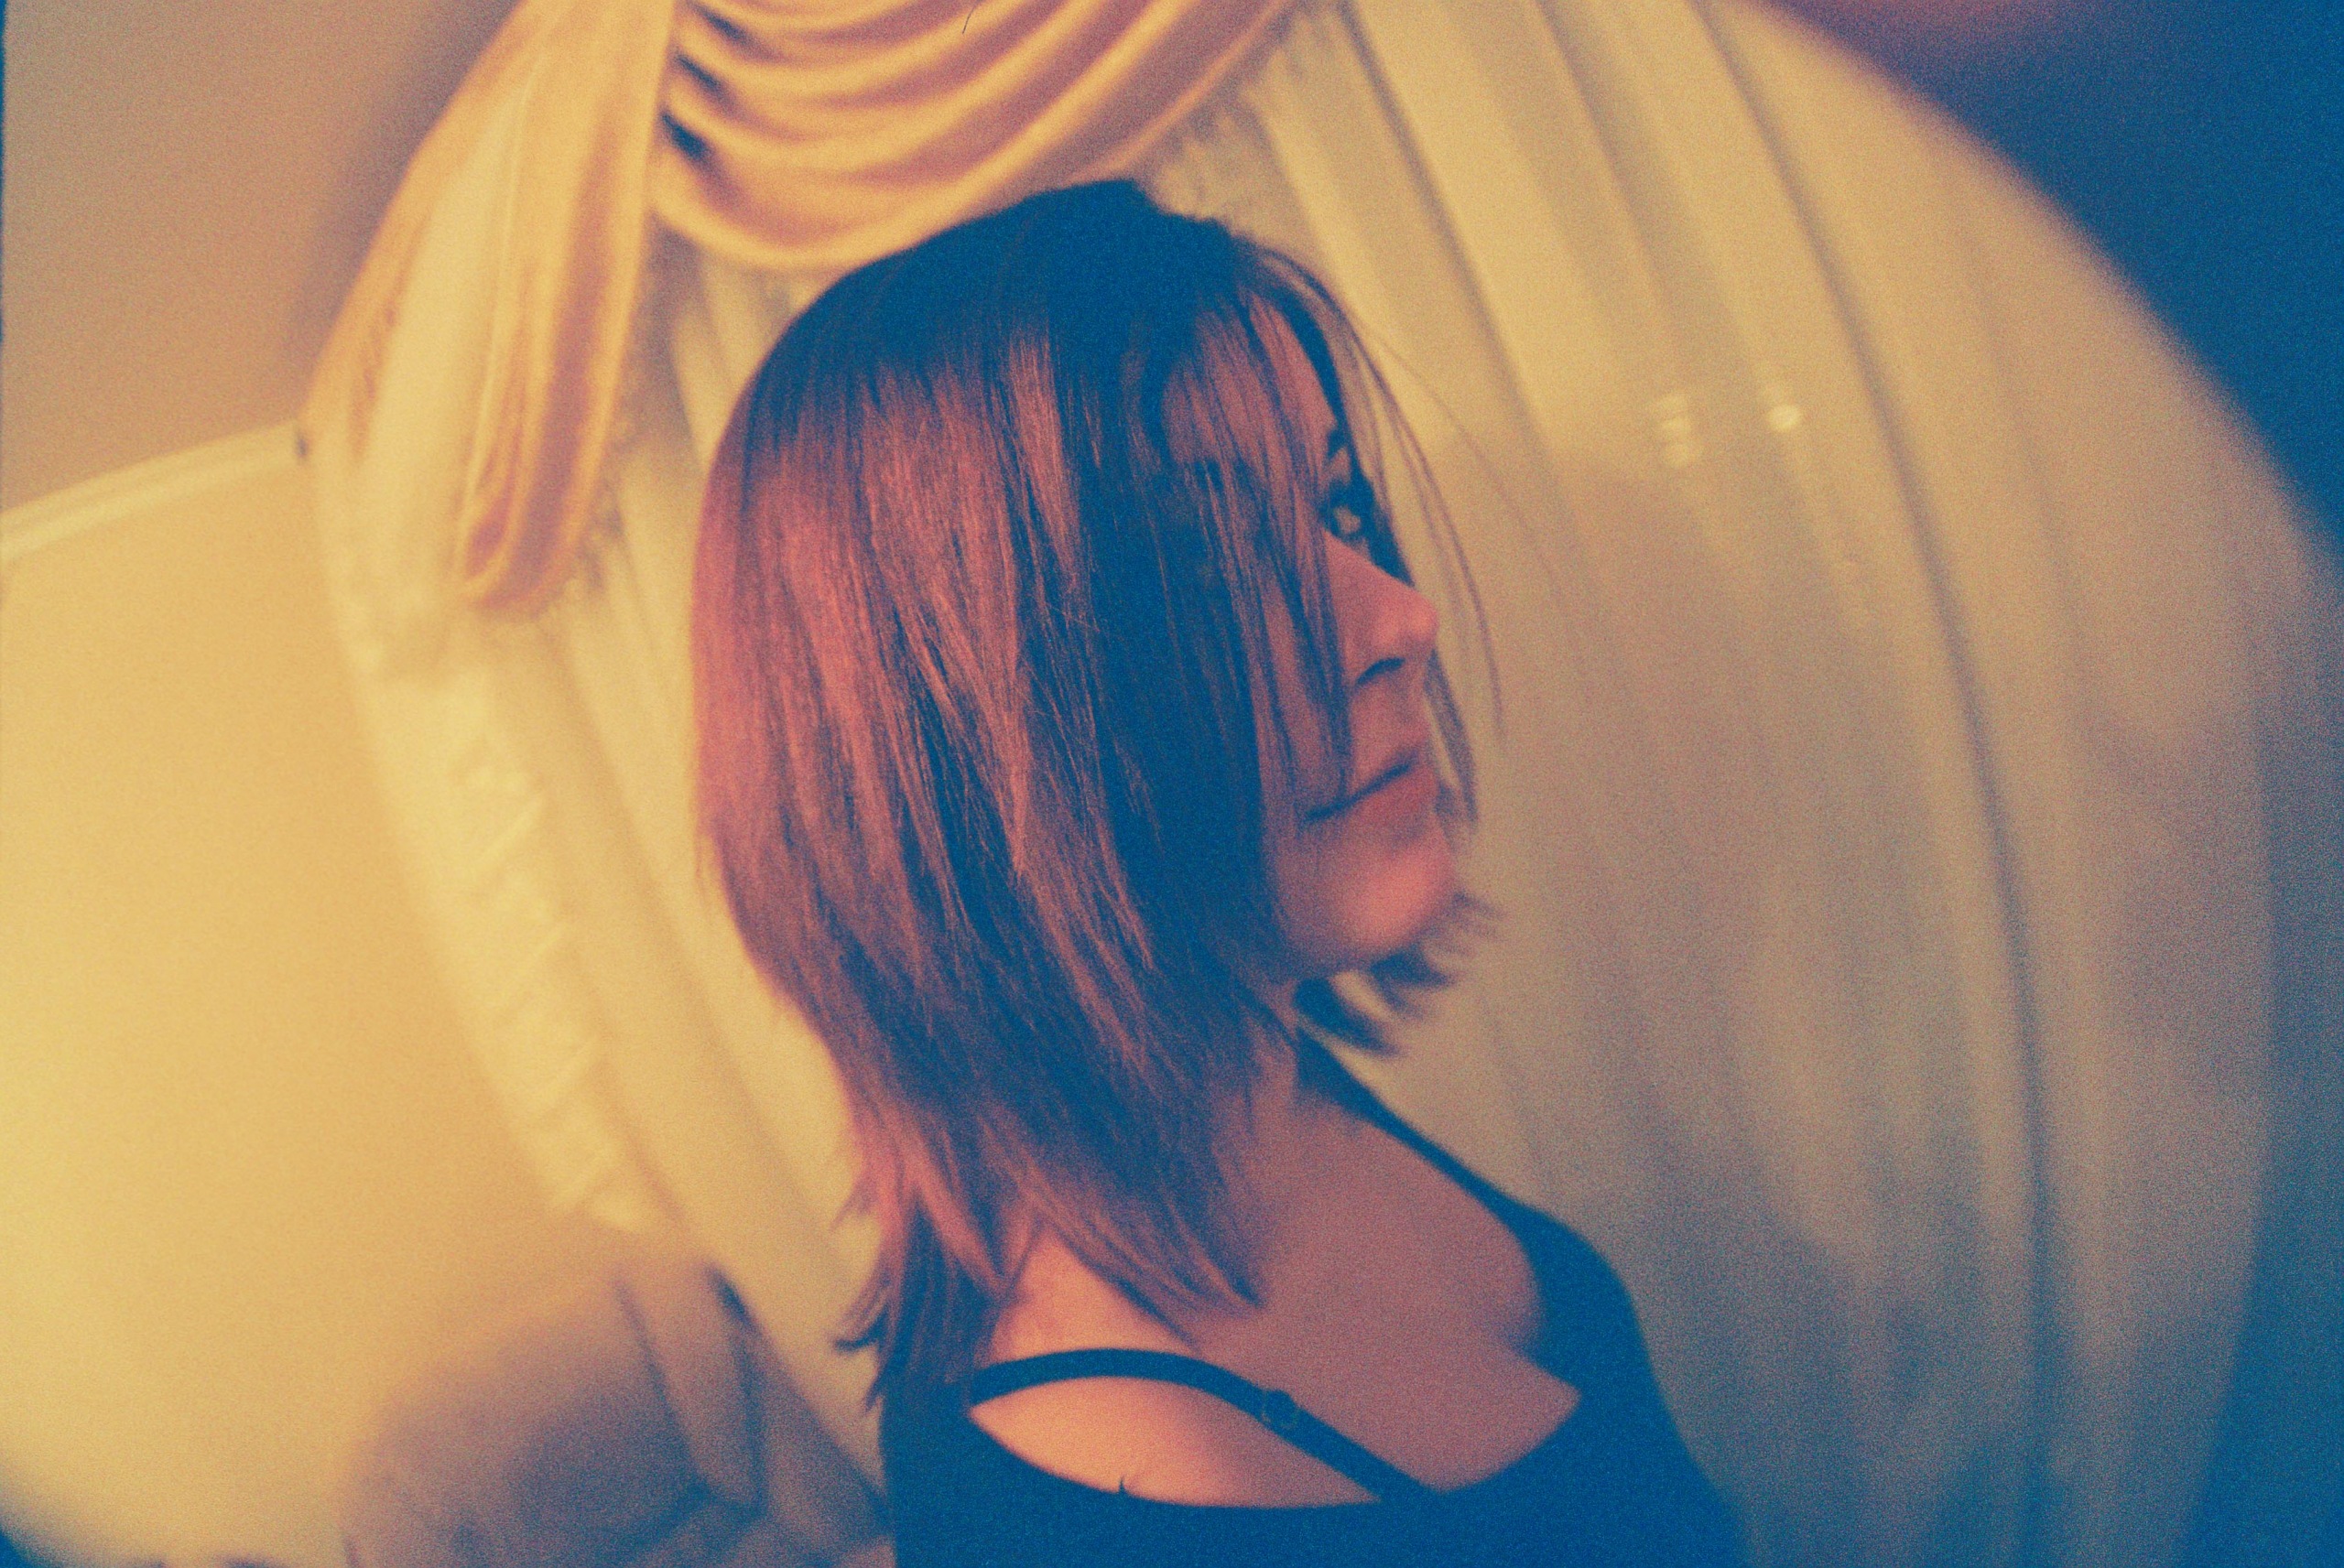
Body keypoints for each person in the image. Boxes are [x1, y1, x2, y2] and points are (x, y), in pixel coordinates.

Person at [693, 180, 1748, 1566]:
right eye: (1204, 566)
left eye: (1340, 506)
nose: (1403, 617)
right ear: (949, 757)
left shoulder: (1250, 1074)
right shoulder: (1100, 1515)